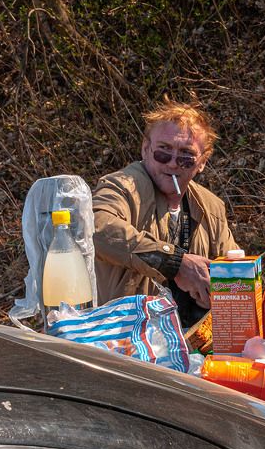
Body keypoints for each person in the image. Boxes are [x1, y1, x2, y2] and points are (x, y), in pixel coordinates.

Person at [92, 100, 238, 328]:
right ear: (145, 149)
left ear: (202, 162)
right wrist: (174, 263)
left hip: (193, 344)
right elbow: (96, 228)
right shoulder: (123, 186)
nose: (172, 164)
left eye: (186, 156)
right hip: (123, 339)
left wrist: (217, 293)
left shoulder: (211, 208)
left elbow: (235, 272)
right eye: (163, 152)